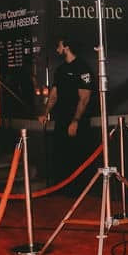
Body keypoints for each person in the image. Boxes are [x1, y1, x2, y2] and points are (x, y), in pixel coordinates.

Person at [38, 37, 93, 193]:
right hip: (61, 120)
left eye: (59, 46)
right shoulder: (60, 70)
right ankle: (63, 192)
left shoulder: (82, 68)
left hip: (77, 122)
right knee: (61, 156)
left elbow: (84, 98)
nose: (57, 49)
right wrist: (45, 113)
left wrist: (75, 121)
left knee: (77, 157)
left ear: (66, 47)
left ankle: (80, 192)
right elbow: (54, 94)